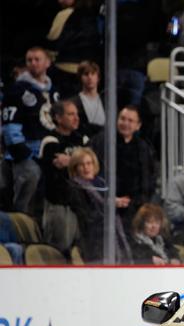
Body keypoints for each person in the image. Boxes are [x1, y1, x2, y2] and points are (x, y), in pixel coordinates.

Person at [1, 47, 60, 215]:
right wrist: (23, 154)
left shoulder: (54, 92)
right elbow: (9, 126)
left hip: (48, 152)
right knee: (30, 174)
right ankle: (20, 220)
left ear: (47, 62)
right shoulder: (17, 90)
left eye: (37, 59)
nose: (33, 63)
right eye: (29, 60)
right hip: (25, 154)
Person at [56, 148, 132, 262]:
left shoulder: (101, 182)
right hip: (92, 239)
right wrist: (110, 204)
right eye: (81, 165)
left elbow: (106, 204)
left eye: (89, 163)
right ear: (75, 168)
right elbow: (87, 215)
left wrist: (117, 203)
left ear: (94, 164)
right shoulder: (74, 188)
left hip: (109, 236)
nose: (86, 168)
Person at [39, 101, 93, 252]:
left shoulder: (82, 139)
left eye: (77, 114)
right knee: (58, 251)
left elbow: (93, 165)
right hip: (59, 205)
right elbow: (57, 171)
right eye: (70, 114)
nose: (76, 118)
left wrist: (70, 161)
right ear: (58, 117)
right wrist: (80, 162)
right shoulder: (50, 141)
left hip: (81, 205)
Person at [92, 106, 158, 225]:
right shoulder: (102, 140)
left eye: (130, 121)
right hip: (104, 205)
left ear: (138, 126)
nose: (125, 123)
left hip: (134, 207)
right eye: (122, 119)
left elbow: (149, 178)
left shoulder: (143, 148)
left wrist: (139, 202)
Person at [73, 61, 105, 138]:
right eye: (86, 74)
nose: (90, 77)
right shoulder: (74, 103)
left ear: (98, 78)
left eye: (93, 74)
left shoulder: (107, 102)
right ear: (80, 78)